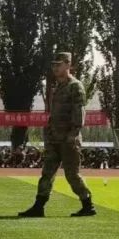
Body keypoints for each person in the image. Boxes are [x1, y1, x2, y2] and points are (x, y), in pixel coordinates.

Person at [18, 52, 96, 218]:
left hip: (69, 139)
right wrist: (48, 132)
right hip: (54, 138)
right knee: (47, 173)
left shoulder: (75, 86)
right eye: (53, 65)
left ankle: (87, 204)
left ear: (68, 65)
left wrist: (74, 133)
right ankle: (39, 206)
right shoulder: (58, 87)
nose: (55, 68)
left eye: (58, 65)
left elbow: (79, 112)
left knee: (72, 175)